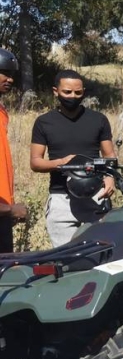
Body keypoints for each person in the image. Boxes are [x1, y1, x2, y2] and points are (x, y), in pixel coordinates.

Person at [30, 70, 116, 247]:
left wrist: (110, 177)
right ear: (56, 91)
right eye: (67, 92)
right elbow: (35, 162)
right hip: (61, 198)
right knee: (65, 259)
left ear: (83, 92)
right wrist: (61, 162)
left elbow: (109, 155)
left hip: (95, 196)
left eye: (78, 92)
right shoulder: (44, 122)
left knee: (101, 254)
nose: (73, 96)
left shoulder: (98, 120)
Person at [0, 49, 27, 253]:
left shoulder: (2, 113)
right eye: (4, 72)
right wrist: (9, 210)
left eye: (12, 74)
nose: (9, 79)